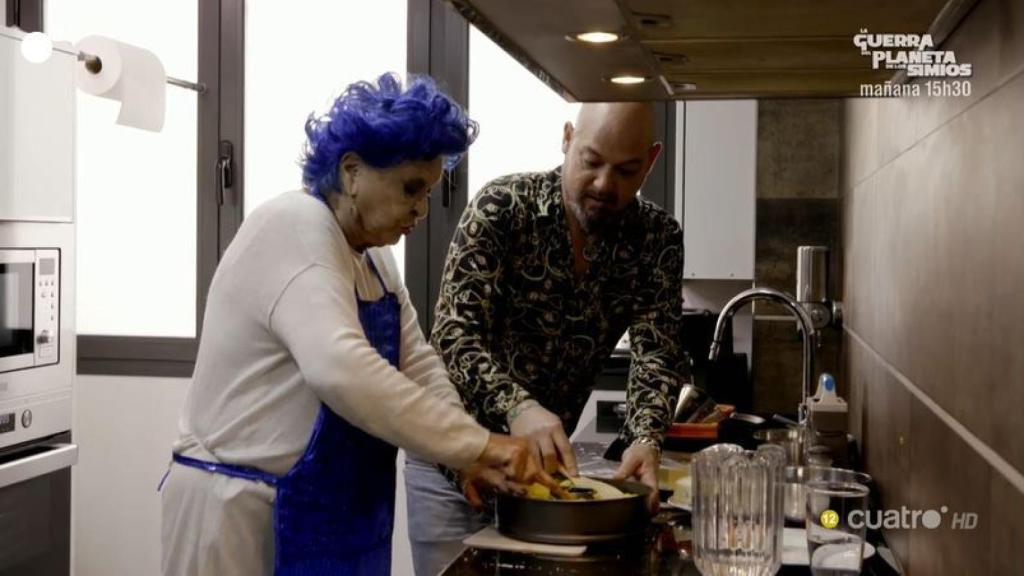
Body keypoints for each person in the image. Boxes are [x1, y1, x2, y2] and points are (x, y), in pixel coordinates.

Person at [160, 73, 553, 576]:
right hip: (241, 515)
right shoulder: (293, 226)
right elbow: (341, 369)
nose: (421, 209)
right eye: (411, 187)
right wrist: (480, 445)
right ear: (351, 172)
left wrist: (466, 452)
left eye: (429, 191)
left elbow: (420, 367)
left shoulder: (374, 260)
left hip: (331, 516)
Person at [405, 102, 687, 575]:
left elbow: (656, 350)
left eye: (625, 170)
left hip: (542, 474)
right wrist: (518, 406)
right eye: (591, 161)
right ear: (567, 138)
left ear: (652, 161)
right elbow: (453, 333)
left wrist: (646, 439)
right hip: (455, 461)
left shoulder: (656, 239)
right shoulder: (502, 207)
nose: (603, 184)